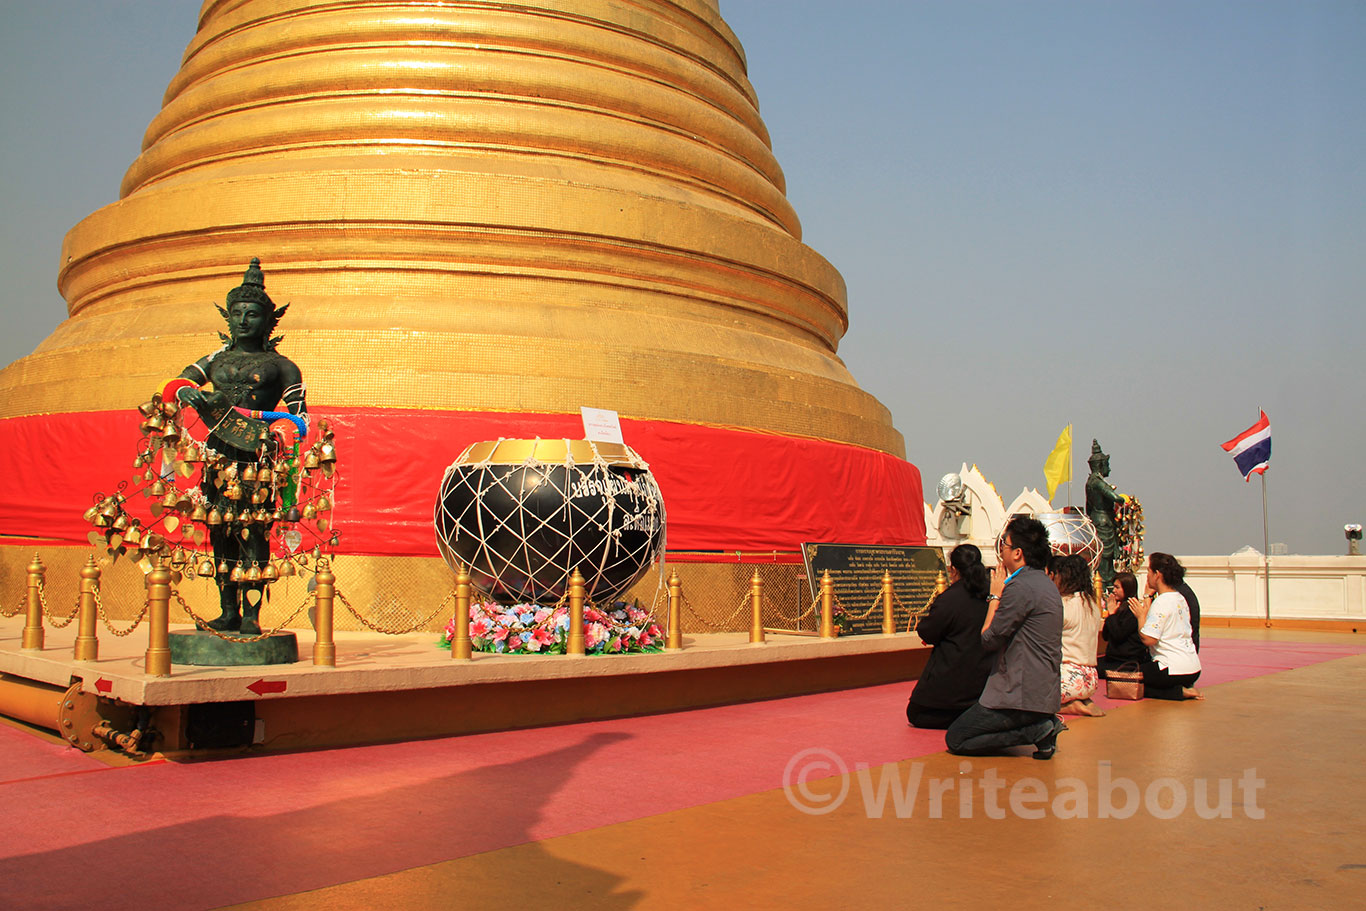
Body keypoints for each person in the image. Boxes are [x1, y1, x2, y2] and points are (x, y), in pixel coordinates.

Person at [176, 259, 308, 634]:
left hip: (258, 457)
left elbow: (300, 419)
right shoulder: (215, 360)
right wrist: (191, 395)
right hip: (219, 453)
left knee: (254, 533)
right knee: (220, 532)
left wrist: (272, 429)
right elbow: (179, 385)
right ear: (228, 318)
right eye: (237, 314)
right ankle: (227, 610)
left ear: (269, 321)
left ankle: (251, 614)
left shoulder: (281, 367)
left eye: (252, 314)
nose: (244, 321)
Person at [945, 516, 1065, 760]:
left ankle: (1036, 731)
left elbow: (989, 639)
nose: (1001, 552)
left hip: (1019, 697)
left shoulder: (1020, 587)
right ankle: (1041, 725)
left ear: (1018, 553)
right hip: (1043, 693)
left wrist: (994, 596)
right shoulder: (1046, 584)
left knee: (957, 738)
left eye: (1004, 547)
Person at [906, 544, 994, 729]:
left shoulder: (951, 598)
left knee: (916, 713)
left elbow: (929, 631)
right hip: (985, 681)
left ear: (953, 569)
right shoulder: (993, 596)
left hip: (951, 682)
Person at [1128, 552, 1202, 700]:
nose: (1147, 575)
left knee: (1130, 682)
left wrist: (1140, 617)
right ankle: (1182, 689)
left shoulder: (1162, 601)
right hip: (1193, 668)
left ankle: (1179, 693)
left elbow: (1149, 639)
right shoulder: (1180, 598)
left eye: (1149, 571)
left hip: (1171, 669)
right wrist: (1147, 597)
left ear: (1158, 574)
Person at [1050, 554, 1104, 716]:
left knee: (1026, 695)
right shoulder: (1091, 604)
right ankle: (1081, 700)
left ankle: (1069, 707)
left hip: (1068, 678)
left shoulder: (1063, 605)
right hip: (1091, 679)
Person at [1085, 440, 1127, 587]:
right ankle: (1104, 586)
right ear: (1101, 465)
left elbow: (1088, 507)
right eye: (1107, 464)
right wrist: (1125, 499)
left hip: (1098, 520)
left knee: (1105, 558)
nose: (1109, 468)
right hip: (1103, 522)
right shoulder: (1096, 482)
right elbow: (1115, 498)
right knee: (1105, 559)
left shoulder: (1090, 482)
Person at [1099, 571, 1147, 678]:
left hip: (1126, 661)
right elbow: (1106, 636)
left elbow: (1119, 634)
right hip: (1114, 658)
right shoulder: (1119, 607)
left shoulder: (1132, 609)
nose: (1114, 591)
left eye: (1117, 587)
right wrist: (1111, 614)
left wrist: (1112, 614)